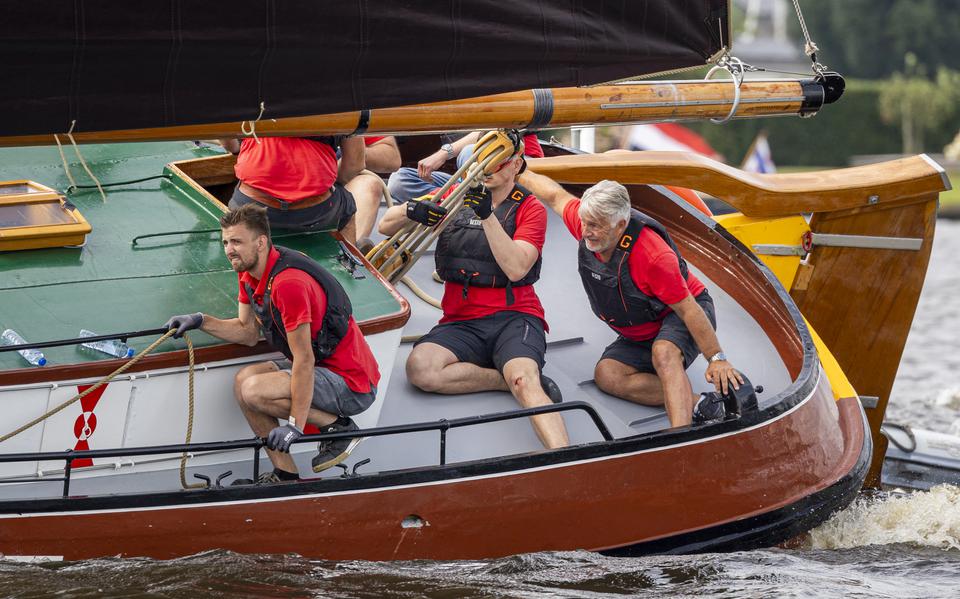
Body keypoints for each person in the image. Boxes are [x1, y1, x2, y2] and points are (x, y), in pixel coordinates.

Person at [164, 203, 381, 484]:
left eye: (237, 242)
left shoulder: (288, 284)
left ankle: (339, 429)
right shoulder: (248, 271)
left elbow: (304, 359)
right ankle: (285, 473)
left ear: (261, 242)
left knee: (255, 390)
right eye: (226, 242)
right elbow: (247, 332)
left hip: (351, 383)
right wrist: (200, 320)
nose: (229, 250)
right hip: (321, 370)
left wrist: (295, 426)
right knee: (243, 381)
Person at [377, 140, 568, 449]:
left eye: (497, 163)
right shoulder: (455, 197)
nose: (487, 170)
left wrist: (487, 216)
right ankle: (502, 380)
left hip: (514, 318)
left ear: (516, 165)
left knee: (525, 381)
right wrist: (412, 211)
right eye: (483, 162)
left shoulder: (531, 209)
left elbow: (517, 268)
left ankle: (566, 459)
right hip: (461, 321)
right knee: (420, 370)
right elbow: (385, 226)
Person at [519, 172, 743, 427]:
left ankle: (680, 434)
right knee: (608, 375)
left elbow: (688, 309)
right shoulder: (586, 224)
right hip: (641, 330)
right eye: (585, 222)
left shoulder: (654, 256)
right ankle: (700, 404)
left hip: (678, 312)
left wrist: (716, 359)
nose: (587, 232)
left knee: (664, 353)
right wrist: (518, 169)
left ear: (621, 225)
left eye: (596, 226)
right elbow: (554, 195)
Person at [219, 135, 365, 244]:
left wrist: (240, 147)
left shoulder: (250, 100)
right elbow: (354, 165)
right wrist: (324, 182)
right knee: (347, 205)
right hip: (316, 212)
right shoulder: (345, 103)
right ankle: (350, 265)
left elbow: (229, 144)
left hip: (251, 206)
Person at [387, 130, 544, 204]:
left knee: (469, 152)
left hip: (518, 169)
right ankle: (460, 204)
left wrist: (442, 154)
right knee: (399, 180)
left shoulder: (505, 94)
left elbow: (492, 137)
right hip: (472, 180)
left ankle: (464, 204)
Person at [347, 135, 402, 244]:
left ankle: (351, 250)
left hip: (339, 183)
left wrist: (354, 152)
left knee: (370, 184)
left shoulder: (352, 124)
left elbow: (392, 158)